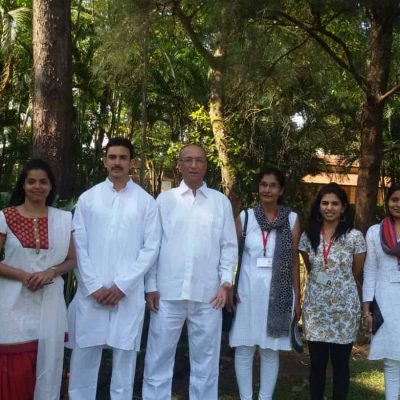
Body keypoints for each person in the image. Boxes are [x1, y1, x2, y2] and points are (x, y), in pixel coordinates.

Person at [67, 137, 161, 400]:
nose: (117, 162)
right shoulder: (88, 199)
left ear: (131, 162)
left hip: (127, 295)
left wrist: (122, 286)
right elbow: (78, 245)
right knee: (84, 358)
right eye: (112, 157)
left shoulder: (146, 202)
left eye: (122, 157)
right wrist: (94, 286)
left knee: (124, 363)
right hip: (91, 293)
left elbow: (151, 248)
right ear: (105, 160)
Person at [142, 143, 238, 400]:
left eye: (199, 160)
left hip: (209, 295)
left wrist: (225, 282)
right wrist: (150, 285)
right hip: (167, 294)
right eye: (188, 160)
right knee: (158, 358)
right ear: (180, 164)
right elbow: (153, 246)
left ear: (206, 165)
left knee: (206, 362)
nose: (193, 165)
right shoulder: (164, 200)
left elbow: (229, 246)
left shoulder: (220, 203)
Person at [0, 159, 75, 400]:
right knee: (15, 374)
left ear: (51, 186)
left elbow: (71, 260)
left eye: (43, 182)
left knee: (46, 369)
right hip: (12, 307)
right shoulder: (5, 216)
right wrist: (23, 275)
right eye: (31, 181)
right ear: (23, 185)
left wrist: (50, 272)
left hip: (49, 307)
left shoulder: (63, 219)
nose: (37, 186)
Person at [229, 166, 301, 400]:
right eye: (263, 185)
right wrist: (229, 285)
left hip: (278, 294)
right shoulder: (246, 217)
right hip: (247, 292)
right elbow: (230, 255)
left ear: (280, 190)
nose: (267, 190)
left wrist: (296, 296)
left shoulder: (291, 219)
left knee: (271, 349)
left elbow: (293, 261)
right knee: (244, 347)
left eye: (273, 185)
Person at [299, 182, 366, 400]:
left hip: (344, 311)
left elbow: (355, 271)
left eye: (335, 203)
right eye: (325, 203)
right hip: (316, 310)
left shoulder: (355, 237)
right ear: (318, 206)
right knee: (317, 365)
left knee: (340, 366)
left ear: (344, 207)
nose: (329, 207)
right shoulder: (308, 236)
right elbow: (311, 267)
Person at [363, 183, 400, 399]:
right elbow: (370, 269)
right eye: (395, 199)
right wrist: (367, 308)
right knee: (391, 358)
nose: (398, 204)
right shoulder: (375, 232)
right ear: (387, 202)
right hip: (385, 301)